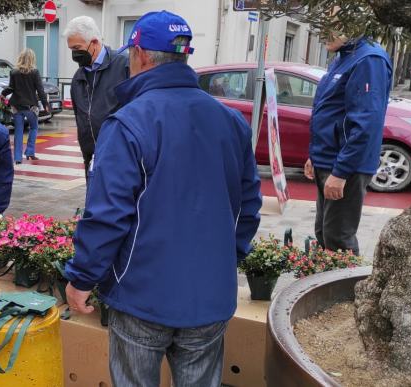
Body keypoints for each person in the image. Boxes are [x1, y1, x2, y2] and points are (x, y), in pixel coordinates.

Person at [63, 11, 262, 387]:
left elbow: (107, 216)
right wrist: (226, 259)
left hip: (142, 296)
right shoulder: (231, 121)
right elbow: (247, 207)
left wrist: (82, 278)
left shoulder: (127, 123)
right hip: (209, 296)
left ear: (137, 54)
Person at [304, 32, 392, 256]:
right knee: (324, 233)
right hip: (329, 159)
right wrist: (315, 157)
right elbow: (332, 110)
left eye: (330, 26)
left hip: (345, 165)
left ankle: (344, 290)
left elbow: (366, 123)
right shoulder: (345, 56)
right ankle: (325, 288)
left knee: (338, 238)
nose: (322, 34)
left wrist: (341, 172)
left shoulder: (369, 60)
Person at [63, 16, 129, 177]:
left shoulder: (124, 66)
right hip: (91, 159)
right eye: (71, 50)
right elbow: (80, 117)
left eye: (77, 48)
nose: (74, 55)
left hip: (121, 159)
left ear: (94, 42)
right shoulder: (78, 78)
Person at [1, 49, 48, 164]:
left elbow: (10, 88)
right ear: (32, 59)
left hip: (16, 106)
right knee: (34, 127)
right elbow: (40, 90)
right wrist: (45, 104)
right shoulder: (35, 72)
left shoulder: (14, 72)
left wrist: (3, 94)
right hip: (31, 107)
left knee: (18, 131)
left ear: (20, 58)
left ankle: (17, 158)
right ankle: (30, 152)